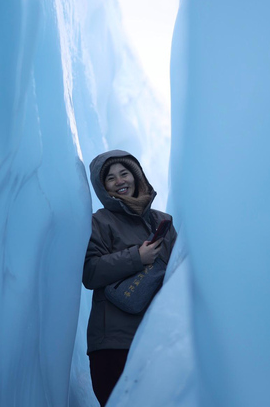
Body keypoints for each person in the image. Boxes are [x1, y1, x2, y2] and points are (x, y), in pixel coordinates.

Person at [82, 150, 178, 406]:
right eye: (110, 178)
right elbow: (90, 272)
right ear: (102, 187)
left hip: (157, 337)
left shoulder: (163, 222)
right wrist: (137, 257)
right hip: (113, 342)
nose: (120, 181)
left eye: (124, 173)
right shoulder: (99, 222)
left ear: (137, 176)